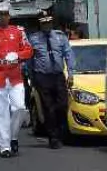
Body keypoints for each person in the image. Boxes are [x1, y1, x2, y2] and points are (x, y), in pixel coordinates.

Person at [0, 2, 34, 158]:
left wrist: (18, 55)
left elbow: (29, 50)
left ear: (9, 15)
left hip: (15, 75)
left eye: (6, 14)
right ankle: (5, 146)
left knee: (19, 107)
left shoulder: (18, 31)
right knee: (1, 112)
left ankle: (12, 136)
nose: (3, 17)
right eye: (0, 14)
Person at [26, 10, 75, 150]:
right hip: (42, 77)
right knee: (48, 107)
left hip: (58, 75)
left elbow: (68, 54)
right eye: (44, 23)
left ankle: (61, 131)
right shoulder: (33, 38)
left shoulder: (60, 37)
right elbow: (29, 60)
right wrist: (31, 77)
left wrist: (71, 73)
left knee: (62, 105)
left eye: (48, 22)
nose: (46, 25)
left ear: (52, 22)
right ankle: (53, 137)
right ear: (40, 25)